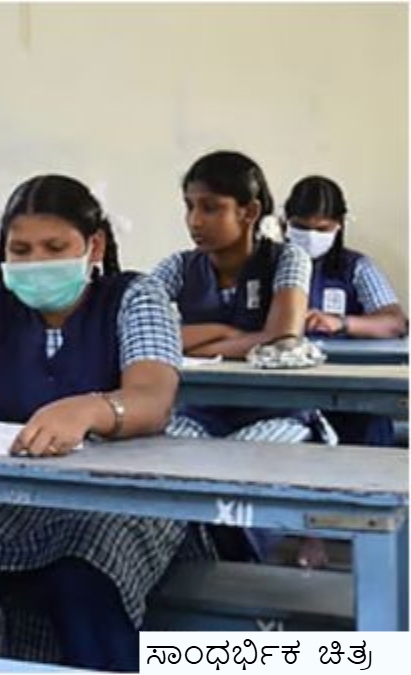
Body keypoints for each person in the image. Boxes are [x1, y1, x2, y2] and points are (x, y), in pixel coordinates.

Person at [0, 175, 206, 671]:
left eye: (55, 248)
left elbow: (152, 398)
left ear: (94, 245)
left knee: (85, 574)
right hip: (20, 488)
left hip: (120, 494)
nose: (36, 263)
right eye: (21, 250)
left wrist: (90, 409)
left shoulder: (135, 296)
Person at [153, 150, 331, 566]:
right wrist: (229, 334)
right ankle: (190, 567)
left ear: (249, 211)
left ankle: (236, 568)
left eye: (210, 208)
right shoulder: (179, 267)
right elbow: (141, 334)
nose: (195, 221)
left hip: (276, 413)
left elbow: (281, 337)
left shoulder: (287, 258)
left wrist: (190, 341)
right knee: (163, 470)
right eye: (189, 207)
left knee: (238, 473)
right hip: (199, 413)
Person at [282, 175, 407, 446]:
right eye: (301, 227)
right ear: (286, 222)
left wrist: (342, 323)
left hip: (349, 390)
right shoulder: (268, 265)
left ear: (339, 225)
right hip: (285, 389)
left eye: (322, 229)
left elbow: (395, 323)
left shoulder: (356, 267)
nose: (311, 237)